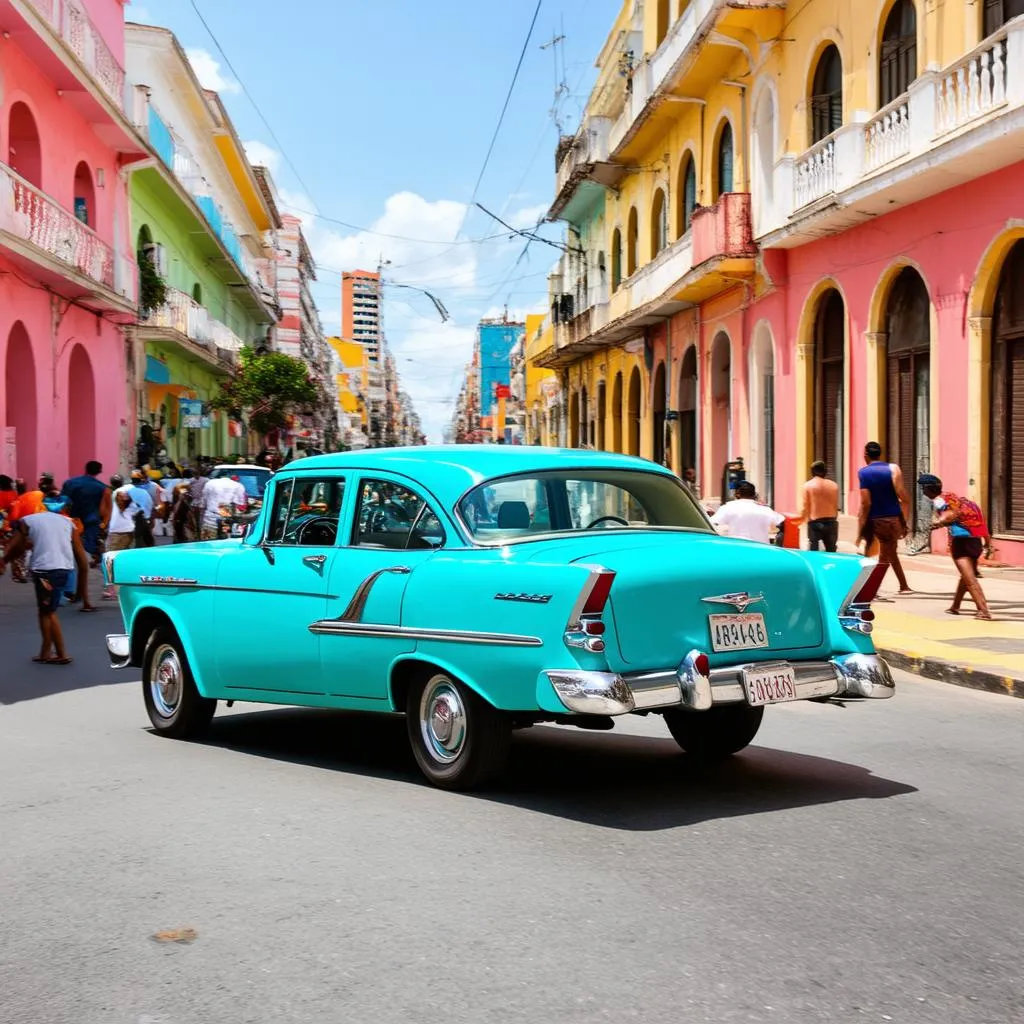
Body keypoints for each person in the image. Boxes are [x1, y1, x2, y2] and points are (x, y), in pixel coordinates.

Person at [1, 493, 89, 664]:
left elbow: (16, 546)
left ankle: (61, 653)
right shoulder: (69, 523)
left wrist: (4, 561)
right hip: (63, 571)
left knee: (48, 612)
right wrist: (82, 593)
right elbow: (82, 561)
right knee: (45, 610)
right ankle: (45, 651)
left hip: (45, 571)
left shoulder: (29, 521)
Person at [918, 474, 993, 620]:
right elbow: (980, 522)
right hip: (975, 542)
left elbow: (949, 514)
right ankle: (955, 606)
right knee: (966, 575)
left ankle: (983, 611)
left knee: (970, 579)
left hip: (961, 543)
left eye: (923, 488)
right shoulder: (957, 499)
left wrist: (938, 522)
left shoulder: (939, 501)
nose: (922, 492)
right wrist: (988, 544)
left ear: (928, 489)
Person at [857, 441, 912, 594]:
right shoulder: (893, 468)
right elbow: (904, 497)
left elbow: (866, 502)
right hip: (894, 519)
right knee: (890, 551)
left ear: (865, 455)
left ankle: (870, 589)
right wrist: (904, 521)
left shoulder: (864, 473)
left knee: (881, 557)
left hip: (876, 520)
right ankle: (903, 585)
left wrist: (862, 524)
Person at [101, 474, 153, 600]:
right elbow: (143, 509)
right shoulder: (141, 492)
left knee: (110, 559)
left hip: (117, 530)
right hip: (130, 529)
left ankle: (113, 589)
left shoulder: (117, 492)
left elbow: (105, 510)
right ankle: (129, 587)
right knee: (126, 559)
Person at [61, 460, 111, 568]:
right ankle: (89, 559)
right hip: (91, 519)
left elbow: (63, 501)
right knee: (90, 544)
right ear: (99, 471)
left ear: (86, 469)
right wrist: (104, 523)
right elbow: (104, 509)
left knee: (70, 542)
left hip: (72, 519)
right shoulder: (102, 487)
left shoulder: (70, 483)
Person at [710, 481, 785, 544]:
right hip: (761, 549)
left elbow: (711, 524)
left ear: (737, 494)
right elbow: (781, 522)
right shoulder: (765, 509)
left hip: (738, 548)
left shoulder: (728, 507)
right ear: (754, 494)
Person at [800, 460, 840, 552]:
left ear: (812, 472)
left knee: (813, 553)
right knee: (832, 552)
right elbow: (835, 505)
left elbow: (805, 506)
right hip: (832, 522)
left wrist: (802, 519)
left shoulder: (807, 486)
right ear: (825, 471)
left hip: (815, 523)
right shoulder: (834, 485)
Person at [199, 473, 247, 540]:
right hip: (226, 520)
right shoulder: (238, 486)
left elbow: (203, 503)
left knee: (208, 543)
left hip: (210, 518)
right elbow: (240, 504)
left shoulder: (209, 483)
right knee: (226, 543)